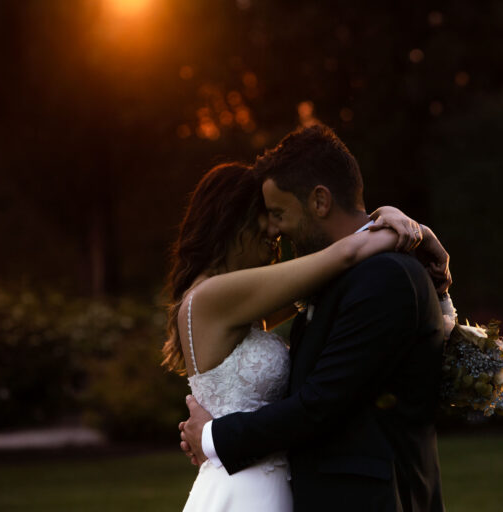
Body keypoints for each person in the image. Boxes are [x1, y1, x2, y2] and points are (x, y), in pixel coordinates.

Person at [173, 125, 449, 512]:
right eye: (266, 217)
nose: (275, 231)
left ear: (319, 201)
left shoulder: (379, 277)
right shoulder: (214, 297)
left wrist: (213, 436)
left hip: (343, 492)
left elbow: (320, 401)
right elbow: (345, 256)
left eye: (278, 214)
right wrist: (407, 231)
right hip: (252, 485)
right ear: (232, 222)